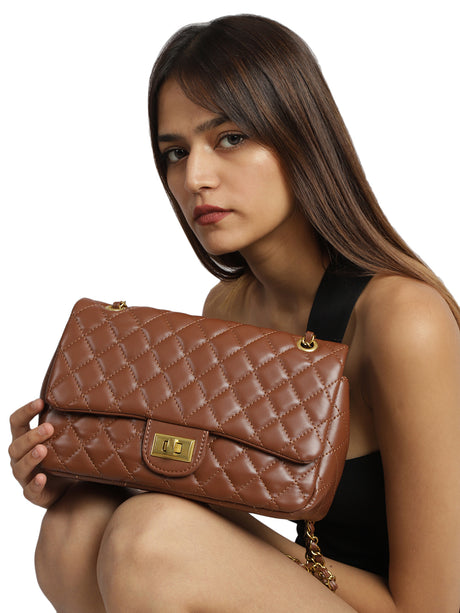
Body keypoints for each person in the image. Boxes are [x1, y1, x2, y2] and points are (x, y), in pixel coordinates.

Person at [9, 14, 460, 613]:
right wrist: (80, 461)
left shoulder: (405, 320)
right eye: (175, 152)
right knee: (77, 523)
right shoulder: (228, 309)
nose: (194, 177)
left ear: (300, 136)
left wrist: (212, 525)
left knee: (154, 539)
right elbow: (203, 494)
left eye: (229, 138)